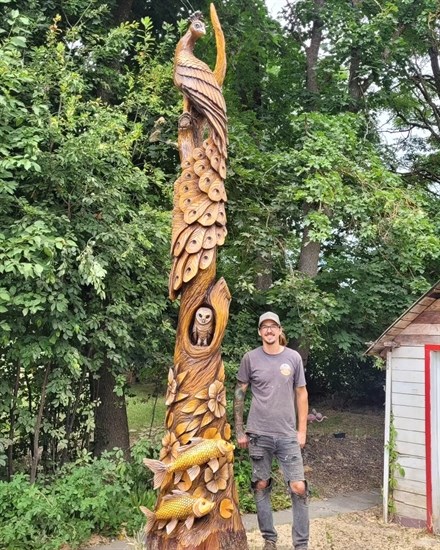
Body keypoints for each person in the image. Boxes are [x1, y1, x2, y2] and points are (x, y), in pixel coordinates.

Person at [234, 312, 309, 550]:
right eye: (264, 327)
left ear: (279, 329)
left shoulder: (293, 358)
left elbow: (301, 394)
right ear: (259, 332)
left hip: (287, 434)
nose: (268, 331)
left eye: (272, 326)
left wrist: (302, 430)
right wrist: (239, 430)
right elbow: (239, 393)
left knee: (298, 487)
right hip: (258, 434)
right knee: (261, 484)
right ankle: (270, 539)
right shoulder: (250, 358)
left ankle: (301, 545)